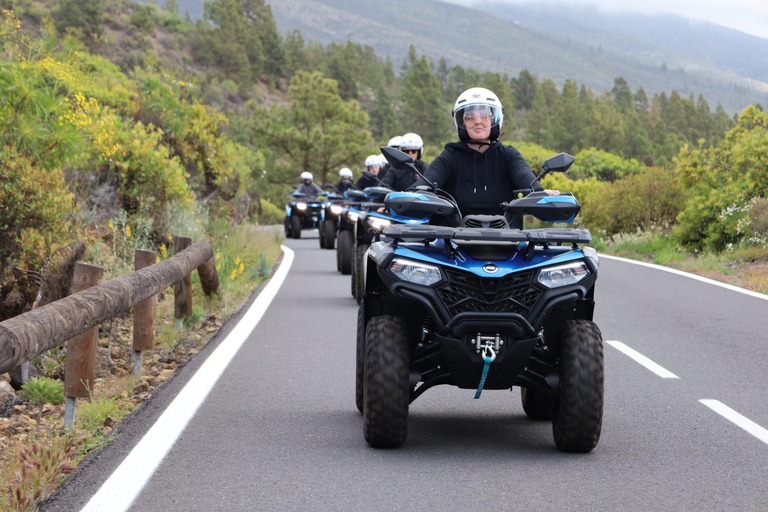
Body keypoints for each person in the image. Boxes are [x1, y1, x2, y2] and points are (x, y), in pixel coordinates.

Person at [417, 87, 558, 227]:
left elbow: (529, 184)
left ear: (494, 119)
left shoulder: (509, 156)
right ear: (462, 121)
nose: (478, 121)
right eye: (470, 116)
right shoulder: (450, 156)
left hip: (506, 244)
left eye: (484, 115)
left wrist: (543, 194)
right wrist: (412, 194)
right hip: (452, 244)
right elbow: (424, 186)